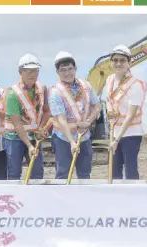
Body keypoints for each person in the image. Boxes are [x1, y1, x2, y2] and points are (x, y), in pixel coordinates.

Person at [48, 51, 101, 180]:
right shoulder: (55, 92)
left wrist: (89, 120)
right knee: (63, 174)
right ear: (57, 72)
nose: (67, 73)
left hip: (84, 137)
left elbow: (97, 105)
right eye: (63, 70)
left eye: (70, 69)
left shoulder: (86, 86)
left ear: (75, 69)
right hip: (63, 140)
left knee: (84, 174)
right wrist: (72, 142)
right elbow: (61, 119)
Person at [3, 53, 52, 180]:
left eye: (36, 70)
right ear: (20, 72)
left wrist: (41, 127)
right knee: (14, 172)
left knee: (37, 172)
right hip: (14, 137)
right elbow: (17, 124)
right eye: (29, 71)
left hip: (34, 135)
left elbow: (47, 111)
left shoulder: (42, 89)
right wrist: (29, 146)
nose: (33, 74)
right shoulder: (13, 94)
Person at [105, 45, 147, 180]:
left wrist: (117, 140)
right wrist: (109, 109)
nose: (118, 63)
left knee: (130, 170)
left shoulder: (135, 85)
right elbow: (107, 99)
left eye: (122, 60)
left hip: (131, 134)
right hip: (115, 131)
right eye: (115, 60)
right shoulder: (110, 79)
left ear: (129, 62)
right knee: (114, 170)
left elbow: (130, 115)